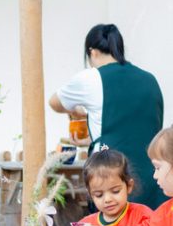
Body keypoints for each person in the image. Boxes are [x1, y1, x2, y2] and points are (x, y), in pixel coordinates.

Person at [49, 23, 166, 209]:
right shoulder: (150, 79)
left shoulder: (90, 78)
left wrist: (77, 111)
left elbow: (55, 102)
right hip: (154, 179)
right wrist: (93, 139)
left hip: (110, 182)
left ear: (92, 52)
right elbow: (135, 131)